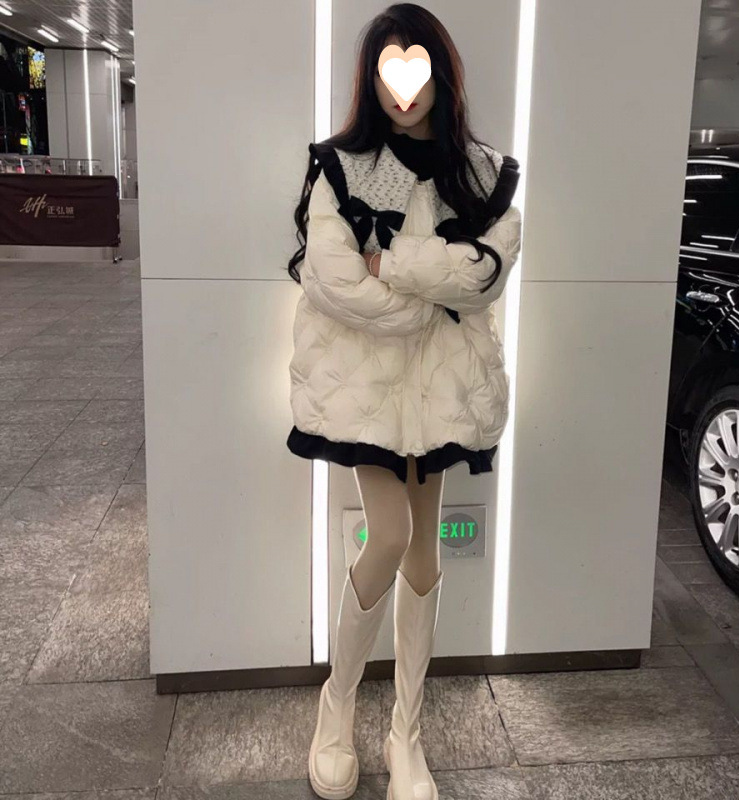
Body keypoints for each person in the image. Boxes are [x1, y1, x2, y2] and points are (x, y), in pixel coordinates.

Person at [285, 4, 521, 798]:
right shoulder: (339, 165)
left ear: (441, 75)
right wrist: (426, 298)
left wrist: (396, 264)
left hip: (444, 387)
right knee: (387, 534)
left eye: (416, 71)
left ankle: (406, 735)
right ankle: (337, 708)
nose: (404, 91)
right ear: (371, 80)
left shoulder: (483, 172)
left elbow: (485, 274)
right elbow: (333, 276)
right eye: (389, 73)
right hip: (369, 388)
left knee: (425, 549)